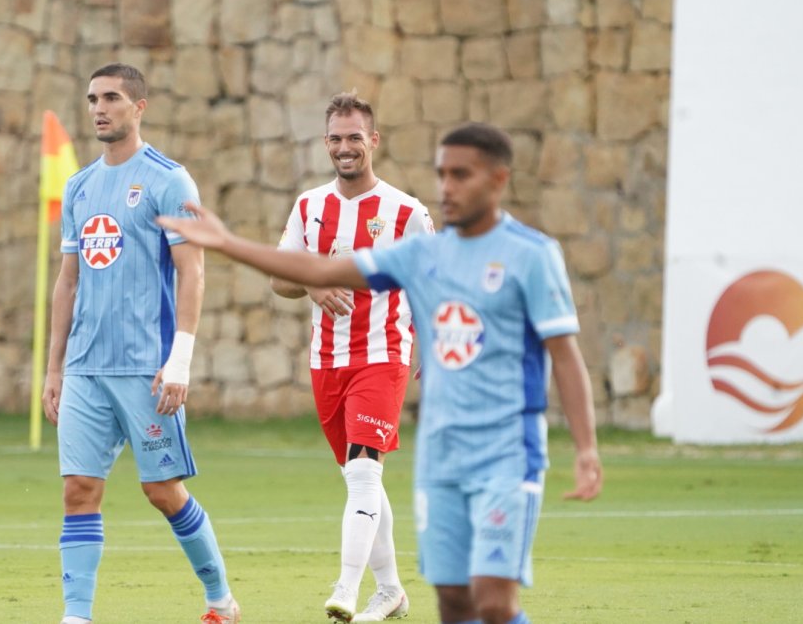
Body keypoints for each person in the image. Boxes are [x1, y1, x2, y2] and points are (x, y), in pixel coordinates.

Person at [158, 123, 604, 624]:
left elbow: (564, 354)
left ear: (498, 179)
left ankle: (349, 587)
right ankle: (389, 590)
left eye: (461, 175)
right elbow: (317, 272)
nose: (447, 187)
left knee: (495, 600)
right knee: (454, 602)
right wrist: (225, 242)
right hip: (440, 455)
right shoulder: (422, 254)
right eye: (442, 174)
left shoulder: (532, 255)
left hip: (506, 450)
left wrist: (586, 448)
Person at [41, 63, 240, 624]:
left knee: (163, 491)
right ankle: (76, 616)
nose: (99, 109)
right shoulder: (78, 186)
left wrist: (180, 360)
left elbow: (192, 272)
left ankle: (220, 598)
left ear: (139, 107)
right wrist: (54, 368)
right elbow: (68, 281)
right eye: (92, 99)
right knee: (79, 489)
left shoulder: (169, 181)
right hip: (85, 368)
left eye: (111, 98)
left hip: (146, 368)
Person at [270, 93, 432, 622]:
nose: (345, 147)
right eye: (337, 139)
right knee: (361, 478)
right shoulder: (309, 207)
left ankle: (346, 587)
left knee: (363, 473)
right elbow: (279, 278)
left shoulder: (407, 212)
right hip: (327, 360)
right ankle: (391, 591)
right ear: (326, 143)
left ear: (373, 141)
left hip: (384, 354)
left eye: (355, 138)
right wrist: (314, 286)